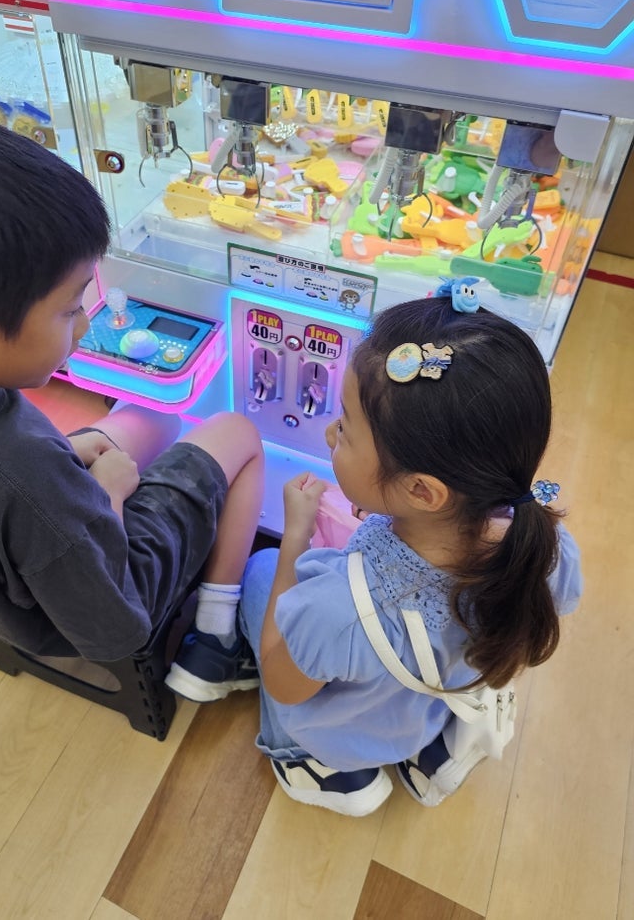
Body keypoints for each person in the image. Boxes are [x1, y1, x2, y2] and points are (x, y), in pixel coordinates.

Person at [0, 116, 264, 701]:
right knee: (236, 431)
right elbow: (114, 632)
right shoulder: (22, 472)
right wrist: (107, 496)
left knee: (158, 417)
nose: (83, 326)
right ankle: (215, 639)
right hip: (95, 601)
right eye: (69, 309)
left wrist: (65, 460)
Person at [239, 288, 582, 817]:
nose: (329, 432)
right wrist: (385, 506)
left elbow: (284, 685)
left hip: (346, 732)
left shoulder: (338, 611)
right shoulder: (547, 550)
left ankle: (321, 770)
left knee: (262, 571)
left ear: (422, 491)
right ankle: (430, 754)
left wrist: (295, 539)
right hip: (420, 713)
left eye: (345, 427)